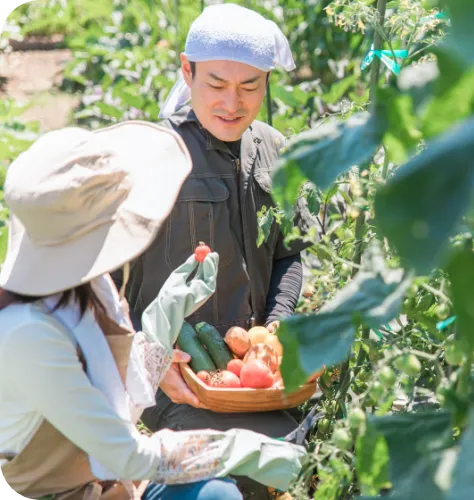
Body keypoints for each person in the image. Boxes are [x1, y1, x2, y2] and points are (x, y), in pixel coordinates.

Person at [0, 122, 306, 499]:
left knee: (214, 491)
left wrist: (164, 319)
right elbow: (129, 455)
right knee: (217, 495)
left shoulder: (86, 288)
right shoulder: (27, 334)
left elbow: (115, 398)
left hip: (111, 486)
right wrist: (241, 449)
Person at [111, 4, 320, 484]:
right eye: (216, 85)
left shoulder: (275, 149)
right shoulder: (153, 159)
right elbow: (102, 281)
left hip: (256, 379)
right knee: (225, 482)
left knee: (292, 464)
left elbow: (290, 252)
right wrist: (144, 358)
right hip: (179, 383)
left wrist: (274, 329)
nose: (233, 103)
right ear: (187, 71)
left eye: (250, 87)